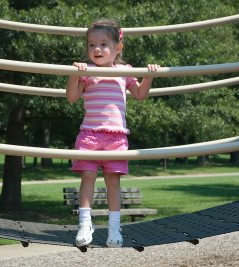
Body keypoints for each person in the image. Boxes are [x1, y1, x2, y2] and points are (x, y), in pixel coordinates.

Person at [66, 19, 159, 248]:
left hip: (116, 137)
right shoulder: (87, 71)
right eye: (91, 45)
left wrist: (148, 76)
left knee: (113, 183)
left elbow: (139, 94)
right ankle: (85, 225)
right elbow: (71, 97)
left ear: (118, 47)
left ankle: (114, 228)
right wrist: (72, 74)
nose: (96, 50)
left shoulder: (125, 71)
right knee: (87, 179)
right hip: (89, 134)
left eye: (103, 44)